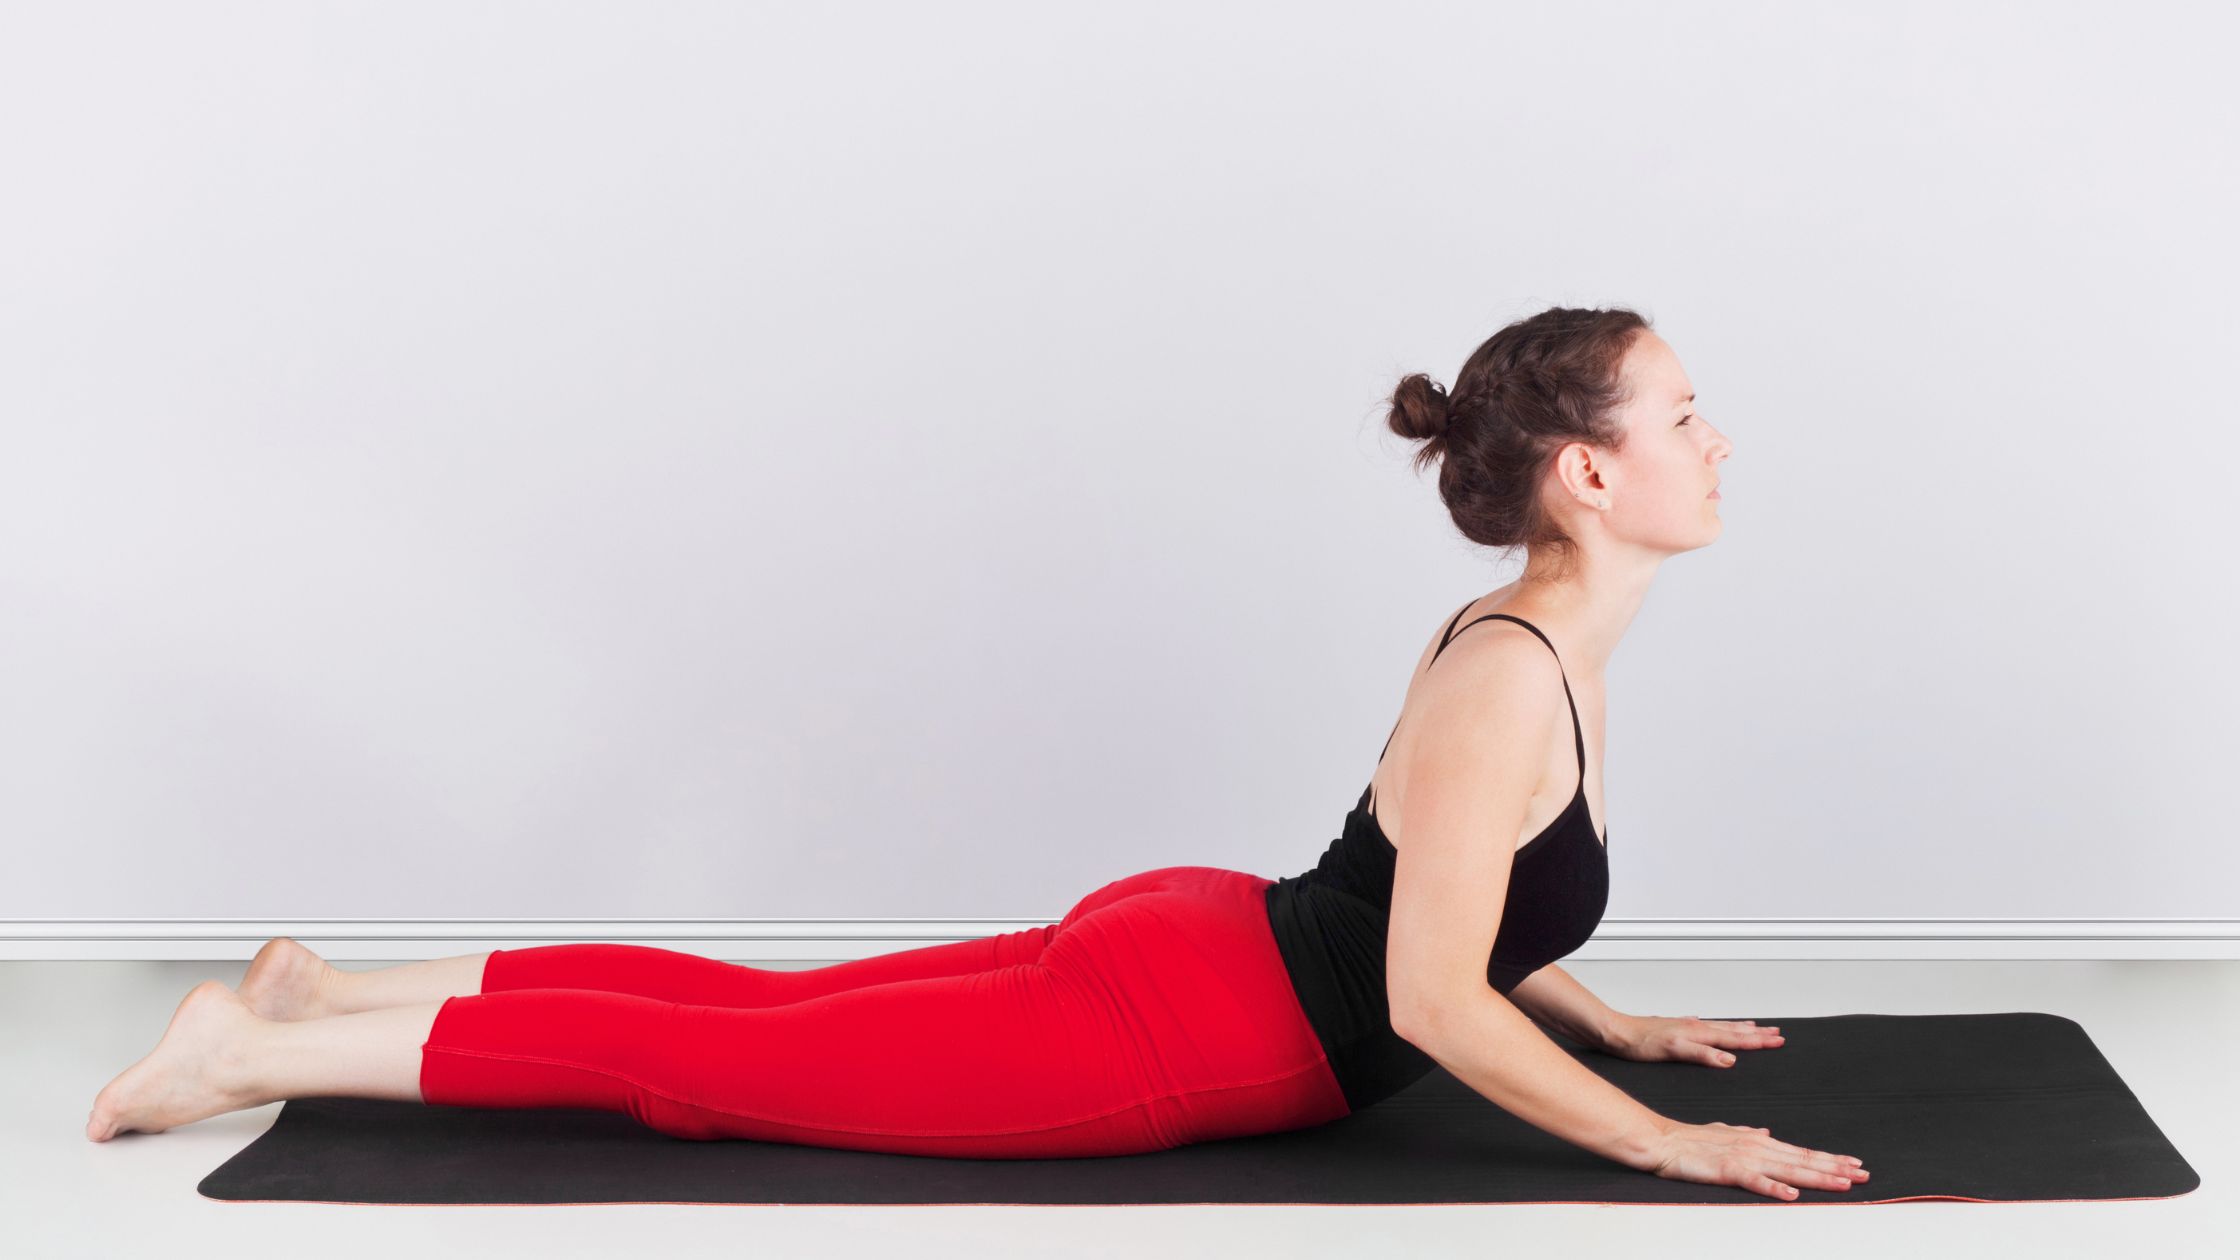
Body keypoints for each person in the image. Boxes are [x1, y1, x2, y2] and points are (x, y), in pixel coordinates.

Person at [86, 306, 1869, 1200]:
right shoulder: (1514, 675)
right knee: (714, 1069)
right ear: (1587, 475)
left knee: (753, 1012)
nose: (1722, 442)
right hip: (1181, 1025)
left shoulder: (1554, 644)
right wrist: (1669, 1143)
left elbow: (1467, 907)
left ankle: (329, 997)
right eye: (1688, 418)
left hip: (1197, 950)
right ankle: (250, 1044)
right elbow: (1426, 995)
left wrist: (1610, 1013)